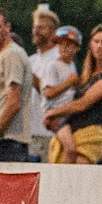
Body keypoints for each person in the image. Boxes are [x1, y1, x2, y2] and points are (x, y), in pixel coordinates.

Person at [46, 22, 102, 165]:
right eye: (96, 41)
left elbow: (83, 104)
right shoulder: (85, 75)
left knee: (79, 178)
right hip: (71, 130)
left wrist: (53, 113)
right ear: (90, 44)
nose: (99, 46)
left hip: (89, 136)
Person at [0, 7, 40, 163]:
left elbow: (14, 102)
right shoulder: (2, 55)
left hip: (8, 142)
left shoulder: (12, 54)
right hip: (2, 141)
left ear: (7, 27)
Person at [31, 25, 81, 160]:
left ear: (77, 48)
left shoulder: (71, 66)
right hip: (55, 115)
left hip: (67, 113)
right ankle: (61, 178)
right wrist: (69, 83)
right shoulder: (52, 66)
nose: (64, 48)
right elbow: (48, 93)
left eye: (69, 45)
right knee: (70, 149)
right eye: (61, 44)